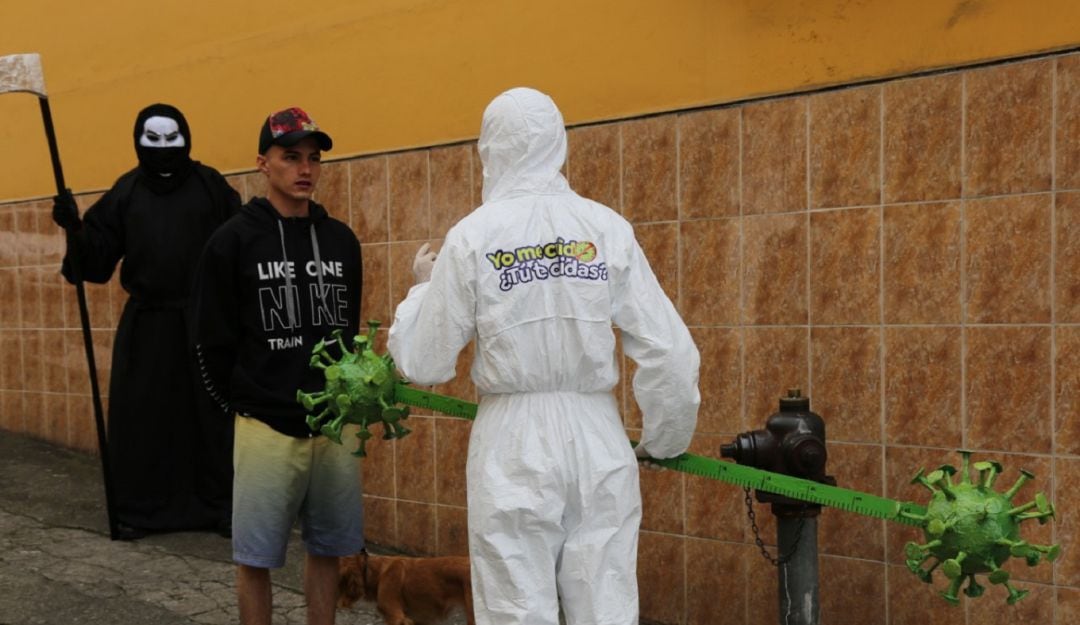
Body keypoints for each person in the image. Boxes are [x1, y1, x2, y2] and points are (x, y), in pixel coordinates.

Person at [388, 87, 700, 625]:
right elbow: (669, 350)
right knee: (605, 603)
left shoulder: (473, 237)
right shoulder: (605, 229)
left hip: (512, 442)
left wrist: (422, 288)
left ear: (489, 150)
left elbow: (422, 361)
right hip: (597, 434)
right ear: (559, 143)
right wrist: (663, 439)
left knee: (515, 605)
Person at [190, 106, 364, 625]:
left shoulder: (341, 241)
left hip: (333, 423)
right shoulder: (233, 241)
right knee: (255, 557)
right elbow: (210, 338)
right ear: (263, 163)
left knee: (329, 548)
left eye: (313, 158)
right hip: (265, 423)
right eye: (291, 157)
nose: (304, 168)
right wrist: (245, 401)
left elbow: (347, 333)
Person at [52, 103, 240, 540]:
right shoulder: (127, 191)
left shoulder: (211, 186)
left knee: (211, 416)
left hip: (203, 324)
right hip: (148, 326)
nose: (162, 149)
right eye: (151, 140)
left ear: (186, 138)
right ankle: (139, 510)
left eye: (170, 138)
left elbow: (238, 243)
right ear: (138, 141)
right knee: (144, 418)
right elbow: (94, 260)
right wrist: (75, 227)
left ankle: (220, 506)